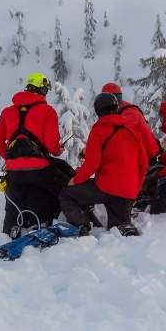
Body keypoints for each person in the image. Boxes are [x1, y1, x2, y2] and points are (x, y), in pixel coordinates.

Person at [0, 72, 69, 238]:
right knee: (64, 185)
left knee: (17, 193)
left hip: (13, 171)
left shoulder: (7, 112)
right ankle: (48, 219)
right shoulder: (47, 111)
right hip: (40, 169)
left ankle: (12, 226)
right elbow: (51, 146)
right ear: (41, 90)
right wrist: (58, 150)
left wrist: (14, 159)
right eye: (46, 90)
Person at [59, 93, 148, 236]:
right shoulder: (131, 129)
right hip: (128, 191)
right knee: (119, 229)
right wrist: (135, 188)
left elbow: (92, 164)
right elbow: (143, 162)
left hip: (107, 187)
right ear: (116, 108)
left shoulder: (99, 130)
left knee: (67, 195)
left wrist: (75, 180)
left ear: (98, 111)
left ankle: (83, 225)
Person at [100, 82, 160, 164]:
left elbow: (118, 135)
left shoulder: (130, 113)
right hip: (138, 156)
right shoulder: (119, 111)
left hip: (147, 157)